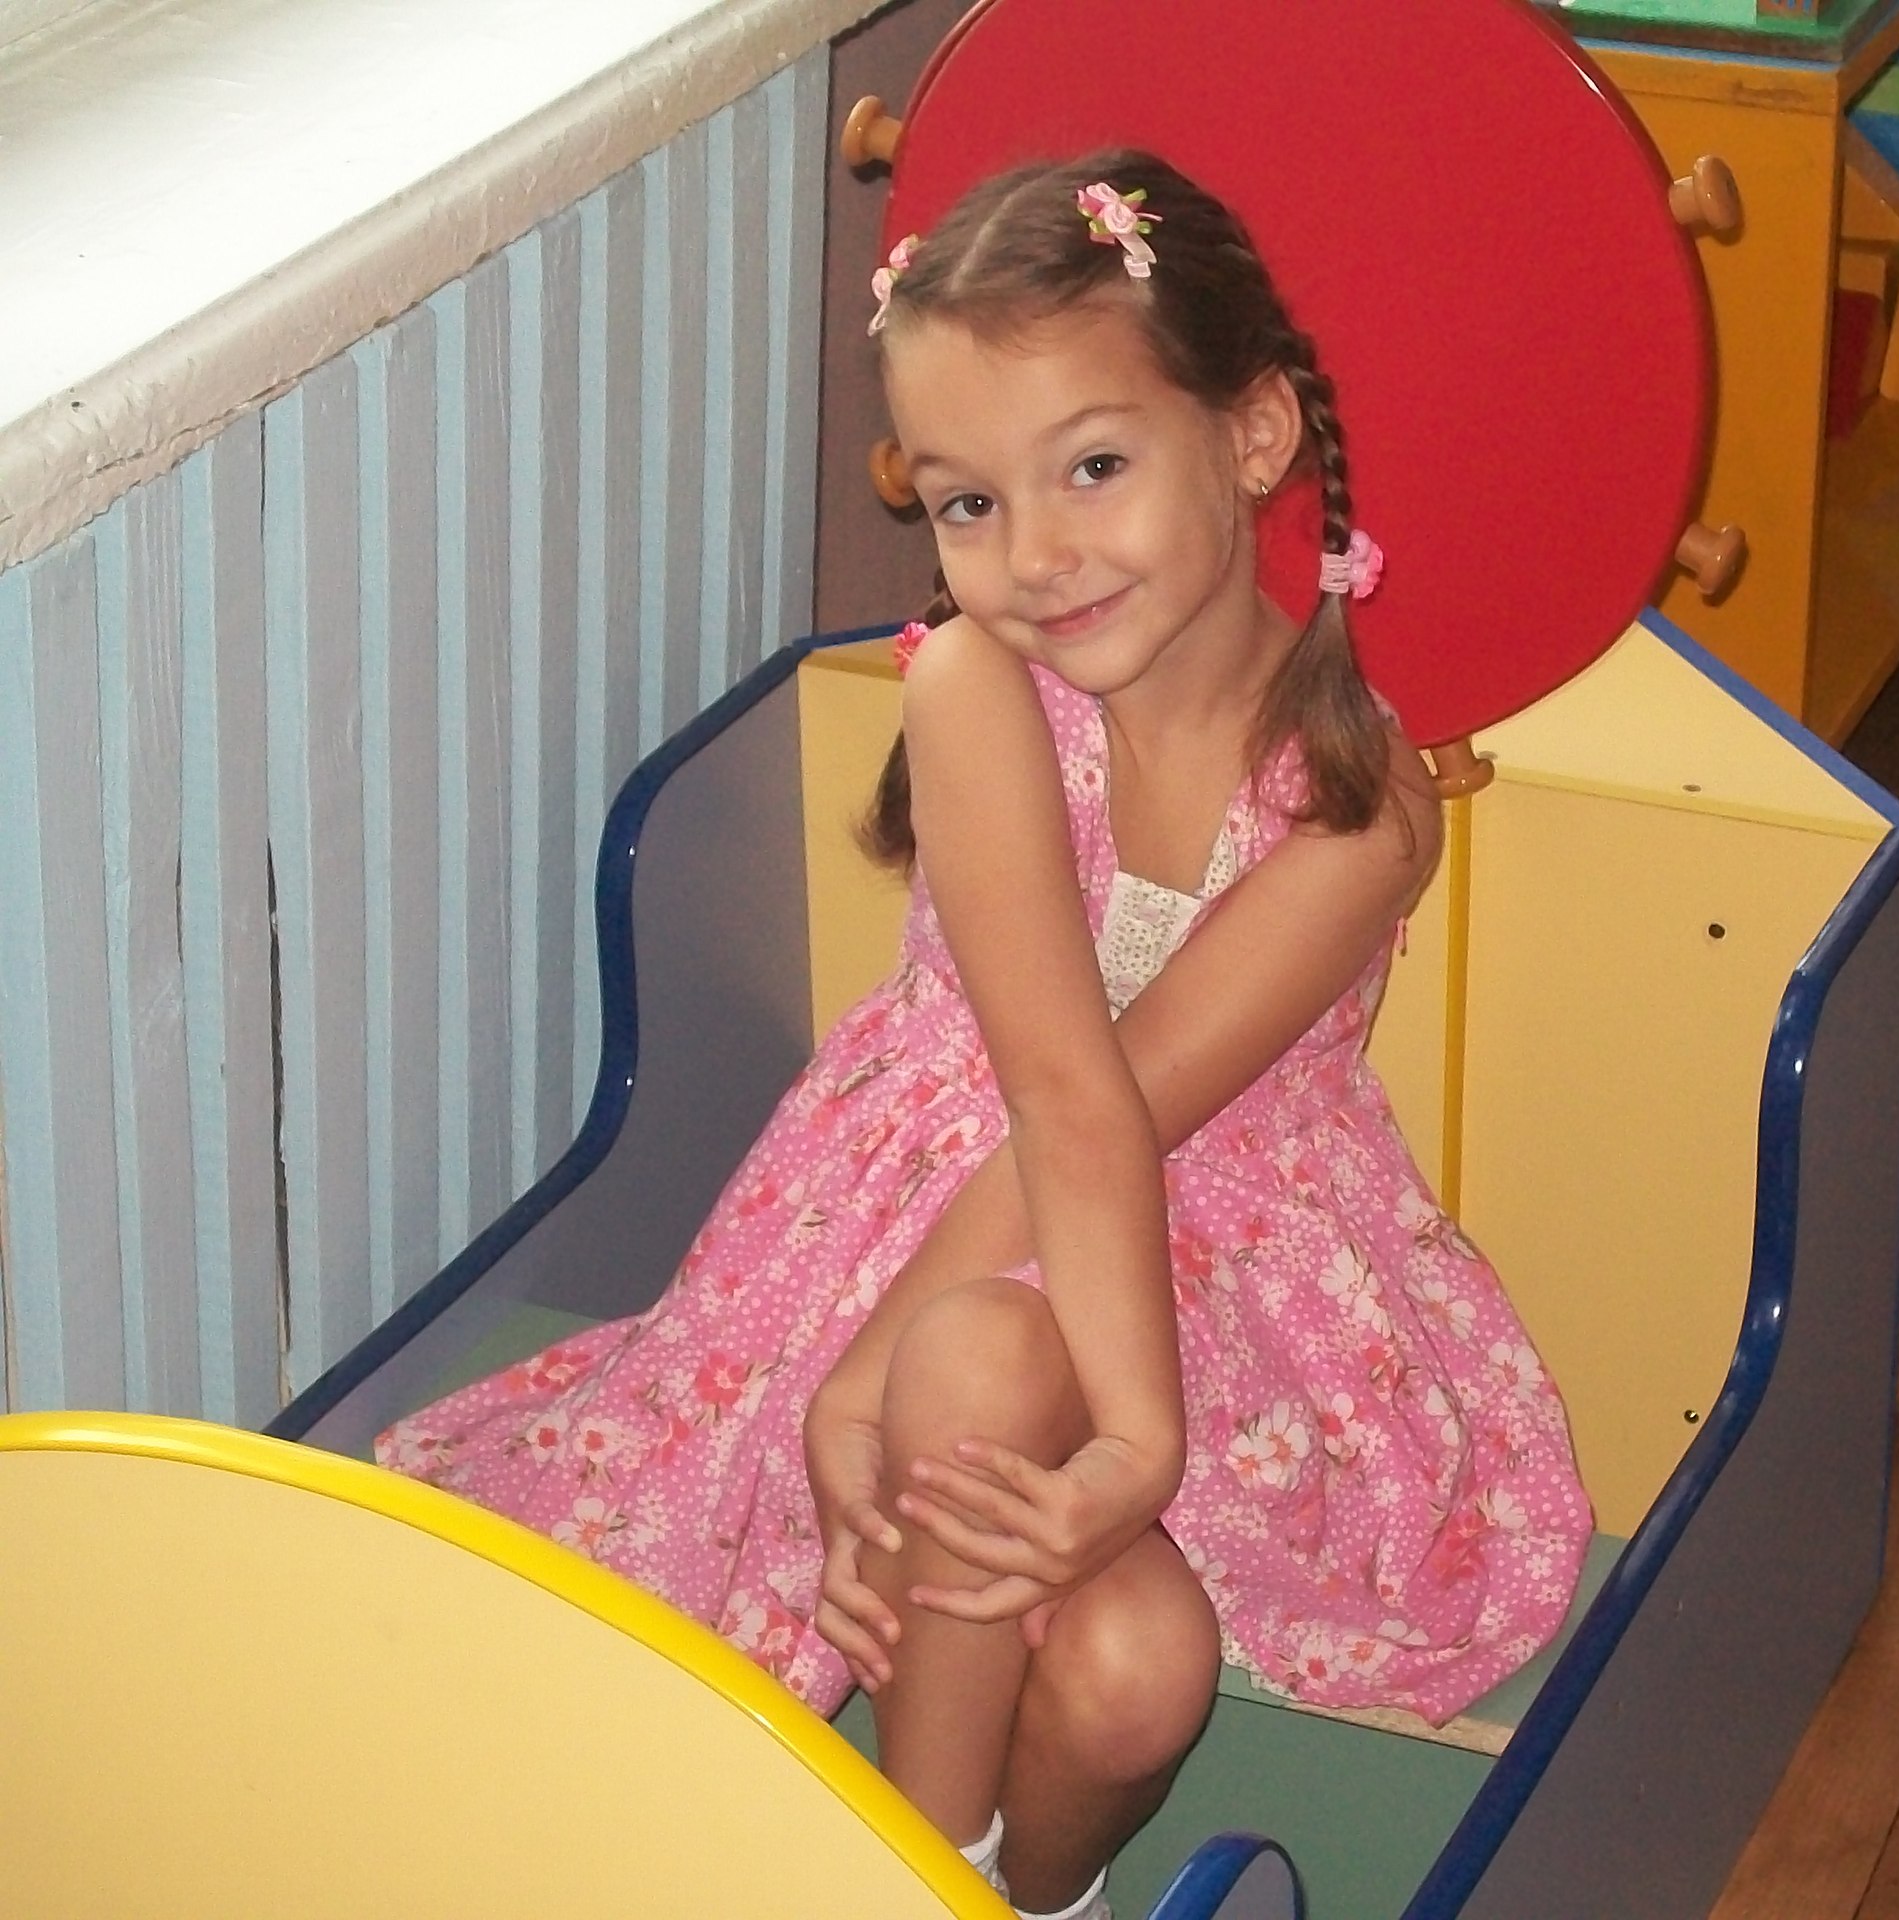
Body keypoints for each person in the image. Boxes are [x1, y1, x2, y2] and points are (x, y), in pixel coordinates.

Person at [378, 151, 1590, 1920]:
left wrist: (1126, 1446)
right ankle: (928, 1868)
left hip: (1214, 1295)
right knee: (1038, 1487)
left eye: (1093, 467)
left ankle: (971, 1886)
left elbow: (1118, 1113)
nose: (1034, 556)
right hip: (931, 1226)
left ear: (1252, 437)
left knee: (1091, 1600)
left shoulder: (1358, 807)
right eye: (965, 502)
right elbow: (1050, 1101)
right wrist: (862, 1368)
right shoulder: (974, 688)